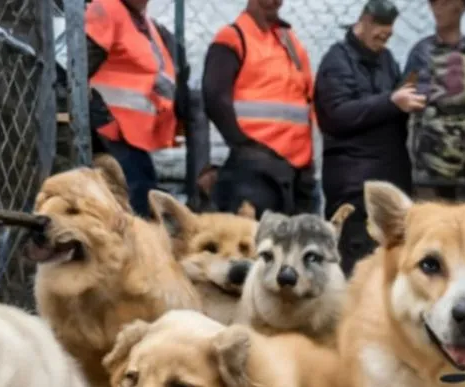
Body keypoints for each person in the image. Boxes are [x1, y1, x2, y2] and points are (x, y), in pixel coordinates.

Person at [315, 0, 424, 275]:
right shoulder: (336, 60)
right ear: (364, 22)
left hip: (391, 181)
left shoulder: (386, 60)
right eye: (379, 31)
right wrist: (390, 102)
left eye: (388, 33)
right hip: (354, 185)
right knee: (358, 265)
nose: (384, 38)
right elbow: (336, 115)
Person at [202, 0, 316, 218]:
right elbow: (214, 97)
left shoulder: (289, 42)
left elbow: (306, 98)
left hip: (296, 169)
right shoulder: (233, 36)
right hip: (254, 169)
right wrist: (244, 146)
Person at [85, 0, 191, 217]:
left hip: (130, 136)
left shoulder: (144, 23)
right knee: (137, 207)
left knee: (144, 199)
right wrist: (103, 121)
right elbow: (73, 74)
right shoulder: (107, 10)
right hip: (109, 135)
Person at [403, 0, 465, 200]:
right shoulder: (422, 51)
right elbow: (407, 100)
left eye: (445, 2)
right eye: (434, 3)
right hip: (430, 163)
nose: (438, 9)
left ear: (462, 6)